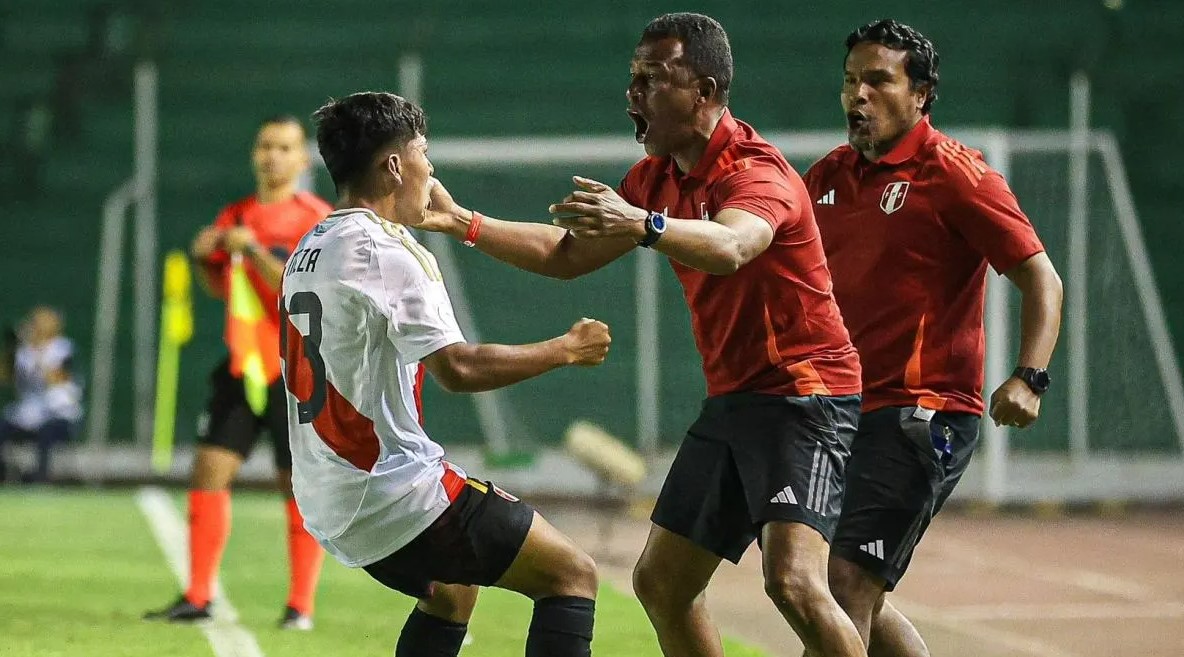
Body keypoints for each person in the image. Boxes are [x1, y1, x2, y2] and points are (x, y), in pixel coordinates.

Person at [422, 12, 869, 657]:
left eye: (653, 80)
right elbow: (565, 254)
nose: (634, 95)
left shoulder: (756, 172)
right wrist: (463, 221)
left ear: (707, 91)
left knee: (794, 582)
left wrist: (643, 224)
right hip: (737, 400)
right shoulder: (654, 179)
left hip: (807, 396)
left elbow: (733, 244)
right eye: (632, 80)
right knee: (661, 583)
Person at [282, 91, 609, 657]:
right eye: (423, 154)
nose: (430, 170)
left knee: (452, 593)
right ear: (393, 166)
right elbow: (457, 368)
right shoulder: (385, 252)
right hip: (389, 493)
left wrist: (460, 222)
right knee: (571, 576)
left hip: (324, 491)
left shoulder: (311, 245)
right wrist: (564, 349)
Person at [802, 19, 1064, 656]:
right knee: (832, 585)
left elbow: (1042, 280)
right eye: (849, 81)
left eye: (877, 81)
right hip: (838, 411)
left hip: (921, 413)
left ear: (920, 95)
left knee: (844, 584)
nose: (856, 95)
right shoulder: (826, 177)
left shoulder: (954, 173)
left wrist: (1029, 376)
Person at [144, 115, 331, 629]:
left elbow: (297, 292)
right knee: (208, 469)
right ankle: (198, 595)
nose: (273, 156)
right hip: (240, 364)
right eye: (265, 145)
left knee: (296, 486)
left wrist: (249, 248)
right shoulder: (238, 213)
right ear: (254, 154)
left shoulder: (316, 219)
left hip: (297, 371)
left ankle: (300, 607)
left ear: (301, 159)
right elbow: (224, 289)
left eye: (284, 147)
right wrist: (208, 256)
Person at [0, 306, 83, 483]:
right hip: (30, 416)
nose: (33, 327)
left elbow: (55, 379)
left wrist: (38, 354)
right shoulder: (23, 351)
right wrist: (11, 349)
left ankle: (40, 479)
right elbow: (5, 377)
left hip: (60, 415)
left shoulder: (63, 348)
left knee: (47, 432)